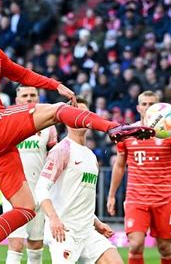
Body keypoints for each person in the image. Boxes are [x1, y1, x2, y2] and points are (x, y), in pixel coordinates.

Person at [0, 7, 154, 263]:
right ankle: (113, 127)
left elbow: (23, 74)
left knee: (26, 208)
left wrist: (54, 84)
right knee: (57, 111)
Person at [107, 90, 171, 264]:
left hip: (163, 198)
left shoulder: (170, 132)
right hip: (136, 198)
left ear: (158, 107)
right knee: (136, 244)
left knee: (165, 248)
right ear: (138, 107)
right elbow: (119, 165)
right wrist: (111, 195)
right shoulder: (128, 132)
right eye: (144, 104)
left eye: (151, 104)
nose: (147, 107)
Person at [0, 86, 57, 264]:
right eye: (24, 96)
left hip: (39, 192)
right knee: (16, 243)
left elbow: (54, 158)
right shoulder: (5, 122)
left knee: (36, 244)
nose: (29, 99)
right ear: (17, 100)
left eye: (33, 95)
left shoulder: (48, 126)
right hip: (14, 191)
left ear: (38, 97)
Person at [35, 98, 123, 264]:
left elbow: (80, 197)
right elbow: (41, 188)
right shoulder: (62, 150)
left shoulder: (91, 156)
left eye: (85, 114)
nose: (81, 117)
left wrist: (96, 223)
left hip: (87, 231)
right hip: (65, 231)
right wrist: (53, 218)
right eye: (76, 113)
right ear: (66, 118)